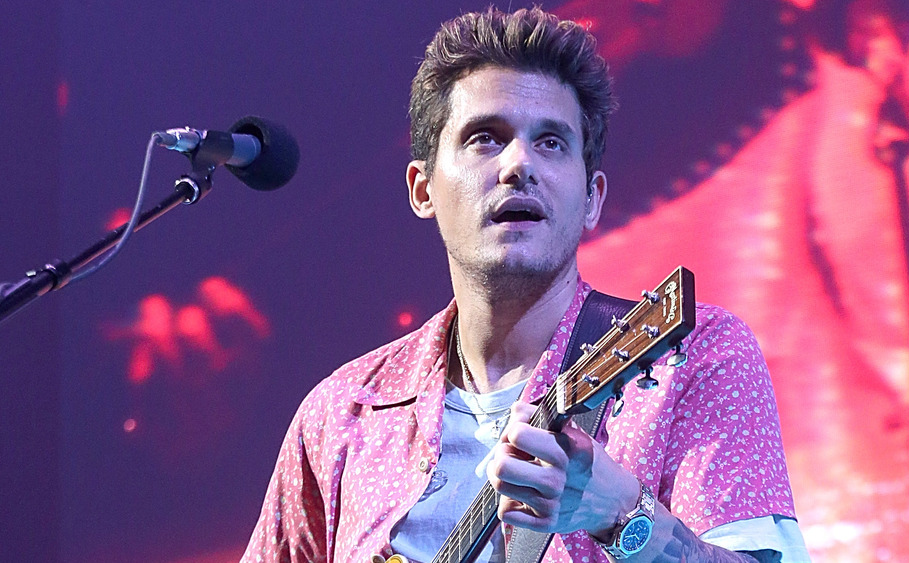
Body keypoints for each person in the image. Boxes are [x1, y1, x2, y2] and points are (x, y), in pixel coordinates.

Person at [241, 7, 809, 563]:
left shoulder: (695, 355)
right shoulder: (343, 413)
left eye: (552, 142)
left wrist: (622, 515)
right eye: (485, 138)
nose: (519, 164)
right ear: (422, 190)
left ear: (593, 199)